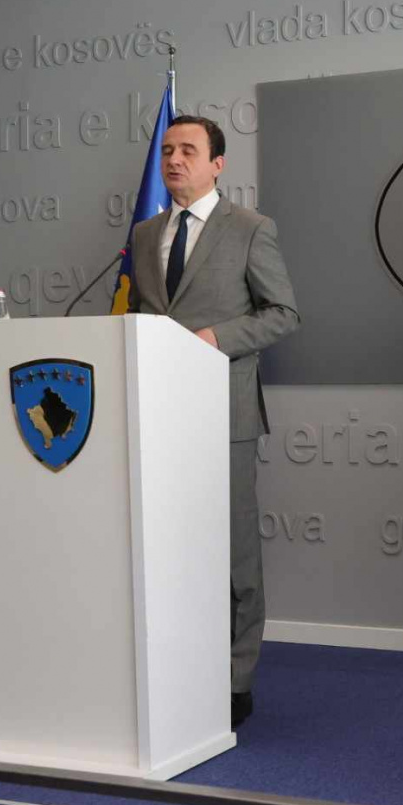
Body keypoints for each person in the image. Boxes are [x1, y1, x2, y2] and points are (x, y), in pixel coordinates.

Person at [128, 115, 300, 728]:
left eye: (188, 151)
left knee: (233, 556)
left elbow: (283, 314)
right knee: (164, 550)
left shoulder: (250, 228)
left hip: (223, 412)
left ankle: (234, 681)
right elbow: (140, 313)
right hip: (154, 414)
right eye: (167, 150)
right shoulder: (145, 235)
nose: (174, 160)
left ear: (217, 164)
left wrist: (214, 338)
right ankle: (174, 669)